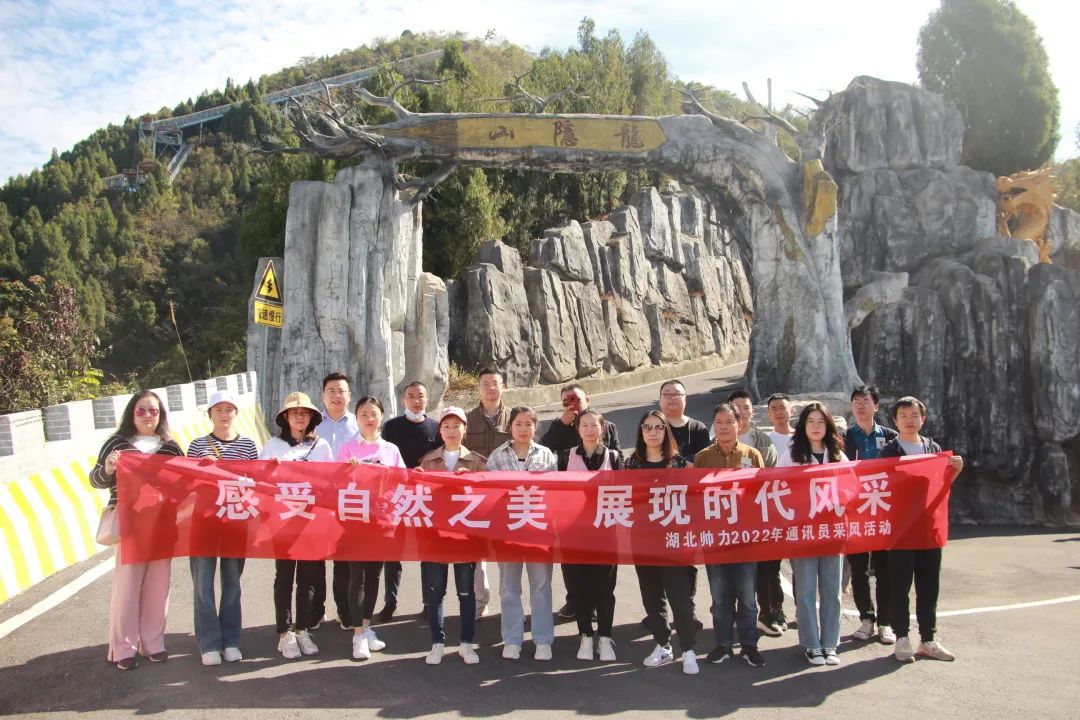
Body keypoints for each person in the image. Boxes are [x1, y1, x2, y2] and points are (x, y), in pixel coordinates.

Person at [90, 390, 185, 670]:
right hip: (130, 525)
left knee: (158, 587)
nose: (147, 415)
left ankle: (153, 644)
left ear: (161, 415)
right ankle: (123, 648)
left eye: (153, 410)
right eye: (141, 410)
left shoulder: (171, 447)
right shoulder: (117, 444)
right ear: (132, 413)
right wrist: (109, 468)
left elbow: (185, 483)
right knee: (127, 588)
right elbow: (95, 480)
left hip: (162, 524)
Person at [879, 396, 964, 663]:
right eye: (903, 415)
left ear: (923, 419)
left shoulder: (932, 448)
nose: (909, 420)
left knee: (929, 587)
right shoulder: (889, 452)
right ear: (895, 420)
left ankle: (928, 639)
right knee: (900, 587)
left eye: (914, 415)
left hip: (928, 530)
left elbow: (941, 485)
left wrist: (955, 470)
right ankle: (901, 637)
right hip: (901, 531)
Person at [260, 391, 334, 660]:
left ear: (312, 417)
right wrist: (269, 469)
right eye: (294, 412)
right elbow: (259, 484)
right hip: (283, 521)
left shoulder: (322, 446)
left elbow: (330, 483)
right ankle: (284, 632)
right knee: (284, 578)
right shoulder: (273, 446)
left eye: (304, 413)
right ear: (286, 417)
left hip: (312, 521)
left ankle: (303, 628)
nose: (300, 417)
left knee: (309, 577)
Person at [186, 390, 258, 666]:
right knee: (203, 585)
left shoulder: (248, 446)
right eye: (219, 410)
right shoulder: (197, 446)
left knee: (232, 583)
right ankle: (208, 642)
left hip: (235, 522)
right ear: (210, 414)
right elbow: (188, 483)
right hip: (204, 522)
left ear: (236, 413)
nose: (224, 415)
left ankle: (231, 640)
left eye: (229, 409)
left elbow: (255, 482)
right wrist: (202, 470)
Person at [626, 410, 700, 675]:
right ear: (641, 432)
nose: (653, 432)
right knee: (651, 596)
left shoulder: (680, 464)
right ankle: (662, 644)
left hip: (674, 541)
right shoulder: (631, 464)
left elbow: (693, 501)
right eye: (648, 427)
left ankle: (688, 649)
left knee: (680, 597)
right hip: (643, 541)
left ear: (666, 431)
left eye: (658, 427)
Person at [693, 404, 766, 669]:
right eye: (719, 422)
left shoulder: (752, 455)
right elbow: (694, 497)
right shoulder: (702, 457)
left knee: (747, 598)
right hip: (715, 540)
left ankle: (749, 646)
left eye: (728, 422)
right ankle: (723, 645)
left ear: (739, 424)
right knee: (720, 598)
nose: (723, 427)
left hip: (745, 539)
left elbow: (762, 493)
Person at [541, 383, 621, 620]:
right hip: (572, 509)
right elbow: (543, 451)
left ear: (588, 398)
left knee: (602, 560)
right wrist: (560, 423)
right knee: (572, 561)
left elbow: (618, 460)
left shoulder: (607, 426)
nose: (572, 404)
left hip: (602, 506)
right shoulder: (559, 426)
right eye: (566, 401)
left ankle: (598, 603)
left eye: (575, 399)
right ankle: (575, 601)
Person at [416, 406, 488, 665]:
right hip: (436, 537)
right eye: (446, 426)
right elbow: (418, 496)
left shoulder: (477, 461)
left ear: (465, 429)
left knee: (466, 593)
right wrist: (415, 479)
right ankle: (437, 643)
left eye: (456, 426)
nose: (451, 431)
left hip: (465, 537)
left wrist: (474, 480)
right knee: (435, 593)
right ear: (440, 430)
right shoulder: (428, 460)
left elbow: (489, 498)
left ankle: (466, 644)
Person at [777, 402, 847, 667]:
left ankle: (830, 642)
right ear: (803, 426)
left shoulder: (838, 455)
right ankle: (811, 644)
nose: (816, 426)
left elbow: (850, 487)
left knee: (832, 590)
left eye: (820, 421)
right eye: (811, 421)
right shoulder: (791, 455)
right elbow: (778, 488)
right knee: (805, 591)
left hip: (831, 532)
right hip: (803, 533)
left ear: (827, 426)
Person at [485, 405, 557, 661]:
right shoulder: (497, 456)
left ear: (536, 427)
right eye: (518, 423)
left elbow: (556, 494)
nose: (524, 429)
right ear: (510, 427)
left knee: (541, 586)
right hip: (508, 531)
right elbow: (487, 494)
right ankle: (512, 639)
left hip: (538, 530)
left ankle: (543, 640)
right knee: (509, 587)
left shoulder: (546, 455)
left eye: (529, 424)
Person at [337, 396, 404, 661]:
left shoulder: (390, 449)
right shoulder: (347, 448)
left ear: (381, 416)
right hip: (355, 521)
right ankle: (357, 635)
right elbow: (335, 483)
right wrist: (349, 471)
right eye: (363, 414)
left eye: (373, 413)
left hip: (382, 520)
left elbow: (403, 481)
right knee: (358, 576)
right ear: (356, 418)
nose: (369, 418)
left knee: (375, 575)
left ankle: (366, 626)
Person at [557, 408, 624, 662]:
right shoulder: (566, 457)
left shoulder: (614, 458)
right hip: (573, 535)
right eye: (583, 424)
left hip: (605, 534)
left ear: (602, 428)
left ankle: (605, 637)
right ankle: (585, 636)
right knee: (578, 588)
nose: (588, 429)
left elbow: (628, 492)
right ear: (577, 429)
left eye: (593, 424)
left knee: (605, 589)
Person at [379, 381, 440, 621]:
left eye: (420, 396)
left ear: (427, 399)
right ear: (403, 400)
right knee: (392, 552)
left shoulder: (436, 427)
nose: (416, 400)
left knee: (427, 552)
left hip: (425, 498)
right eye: (411, 396)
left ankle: (428, 601)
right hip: (396, 496)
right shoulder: (391, 427)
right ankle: (390, 601)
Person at [843, 385, 899, 645]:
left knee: (885, 569)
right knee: (859, 570)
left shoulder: (890, 437)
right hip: (855, 512)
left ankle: (885, 622)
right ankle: (866, 618)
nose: (860, 406)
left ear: (876, 406)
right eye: (856, 401)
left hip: (882, 511)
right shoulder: (843, 438)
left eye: (865, 401)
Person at [727, 389, 784, 639]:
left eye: (746, 408)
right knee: (732, 569)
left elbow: (773, 475)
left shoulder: (763, 441)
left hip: (760, 514)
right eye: (736, 408)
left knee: (765, 568)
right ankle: (733, 616)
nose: (742, 412)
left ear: (752, 411)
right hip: (728, 516)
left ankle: (769, 614)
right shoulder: (716, 440)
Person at [314, 372, 360, 632]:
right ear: (323, 396)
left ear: (349, 395)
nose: (336, 396)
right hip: (317, 500)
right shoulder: (312, 424)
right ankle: (316, 610)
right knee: (315, 558)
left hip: (348, 500)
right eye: (330, 391)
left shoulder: (358, 424)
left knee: (344, 560)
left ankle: (345, 611)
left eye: (341, 391)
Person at [464, 368, 511, 618]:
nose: (490, 388)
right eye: (485, 383)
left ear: (503, 386)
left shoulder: (515, 417)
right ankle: (479, 602)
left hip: (505, 497)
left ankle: (509, 603)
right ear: (479, 388)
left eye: (495, 383)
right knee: (476, 554)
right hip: (476, 497)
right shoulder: (467, 419)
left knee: (506, 554)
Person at [766, 393, 794, 464]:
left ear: (792, 411)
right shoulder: (764, 440)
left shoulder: (803, 437)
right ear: (768, 414)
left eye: (782, 408)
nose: (778, 412)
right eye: (774, 409)